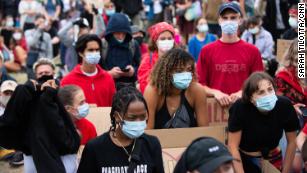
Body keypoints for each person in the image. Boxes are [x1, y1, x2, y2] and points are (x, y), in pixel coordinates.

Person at [0, 78, 80, 173]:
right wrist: (22, 93)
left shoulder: (69, 139)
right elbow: (5, 132)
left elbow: (65, 140)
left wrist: (48, 100)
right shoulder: (28, 138)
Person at [77, 87, 164, 173]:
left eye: (143, 116)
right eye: (132, 118)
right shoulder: (95, 148)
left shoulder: (152, 144)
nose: (138, 122)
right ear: (117, 116)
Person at [228, 72, 300, 173]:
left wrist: (286, 171)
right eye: (261, 92)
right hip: (247, 159)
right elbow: (233, 146)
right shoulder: (240, 108)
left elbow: (292, 141)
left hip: (274, 157)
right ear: (251, 98)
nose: (267, 95)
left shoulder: (284, 105)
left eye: (270, 90)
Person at [197, 2, 264, 107]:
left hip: (244, 108)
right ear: (219, 20)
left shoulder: (253, 51)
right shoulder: (206, 51)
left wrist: (243, 93)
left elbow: (260, 83)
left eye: (233, 18)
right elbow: (199, 84)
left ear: (240, 20)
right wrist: (215, 92)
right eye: (225, 18)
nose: (229, 21)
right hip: (215, 111)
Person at [144, 48, 208, 129]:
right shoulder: (153, 91)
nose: (185, 74)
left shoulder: (197, 90)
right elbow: (148, 131)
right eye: (179, 70)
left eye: (189, 70)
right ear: (166, 72)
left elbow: (204, 130)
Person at [61, 34, 116, 107]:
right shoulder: (68, 81)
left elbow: (113, 105)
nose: (95, 53)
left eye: (97, 50)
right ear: (80, 53)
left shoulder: (108, 78)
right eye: (90, 50)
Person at [137, 22, 175, 93]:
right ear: (155, 41)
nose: (167, 41)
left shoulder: (179, 59)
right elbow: (143, 83)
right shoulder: (147, 60)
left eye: (169, 38)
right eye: (163, 39)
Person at [24, 14, 53, 78]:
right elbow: (31, 43)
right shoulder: (28, 32)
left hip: (43, 60)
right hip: (32, 60)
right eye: (39, 22)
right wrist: (39, 30)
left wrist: (49, 64)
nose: (41, 24)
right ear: (35, 22)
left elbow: (49, 51)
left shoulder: (47, 35)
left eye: (43, 22)